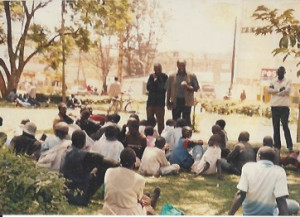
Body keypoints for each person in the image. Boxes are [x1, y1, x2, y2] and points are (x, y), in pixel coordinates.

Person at [228, 146, 300, 215]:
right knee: (295, 205)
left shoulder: (247, 167)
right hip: (269, 211)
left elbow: (240, 194)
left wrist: (229, 215)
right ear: (274, 159)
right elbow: (281, 200)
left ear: (258, 156)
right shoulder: (279, 172)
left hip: (248, 213)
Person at [60, 129, 119, 206]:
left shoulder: (66, 151)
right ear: (84, 142)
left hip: (65, 194)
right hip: (79, 197)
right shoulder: (84, 155)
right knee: (103, 169)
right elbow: (113, 163)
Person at [102, 147, 160, 215]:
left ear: (120, 160)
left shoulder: (109, 171)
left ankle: (149, 199)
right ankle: (151, 203)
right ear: (134, 163)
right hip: (128, 213)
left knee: (140, 196)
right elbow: (139, 200)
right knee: (144, 204)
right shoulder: (139, 179)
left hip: (108, 211)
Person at [165, 59, 199, 126]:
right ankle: (176, 134)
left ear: (185, 65)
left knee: (186, 120)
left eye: (183, 65)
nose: (182, 67)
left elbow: (196, 88)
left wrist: (187, 87)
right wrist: (168, 101)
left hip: (187, 101)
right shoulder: (172, 76)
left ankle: (187, 135)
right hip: (175, 101)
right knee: (175, 120)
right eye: (180, 65)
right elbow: (168, 89)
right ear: (177, 65)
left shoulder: (191, 75)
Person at [268, 66, 293, 152]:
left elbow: (287, 91)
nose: (280, 73)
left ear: (284, 73)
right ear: (277, 72)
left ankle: (290, 146)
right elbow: (268, 90)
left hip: (284, 107)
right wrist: (279, 89)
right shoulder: (273, 81)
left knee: (285, 126)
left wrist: (275, 91)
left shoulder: (288, 81)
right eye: (279, 72)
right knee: (276, 127)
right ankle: (277, 146)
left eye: (282, 72)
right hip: (274, 106)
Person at [146, 63, 168, 135]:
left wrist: (157, 81)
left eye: (159, 69)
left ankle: (161, 136)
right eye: (156, 69)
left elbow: (163, 88)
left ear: (161, 69)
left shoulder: (164, 76)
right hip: (151, 102)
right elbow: (148, 87)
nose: (157, 70)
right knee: (149, 121)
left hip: (160, 103)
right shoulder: (151, 76)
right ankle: (149, 135)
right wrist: (154, 82)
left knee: (160, 122)